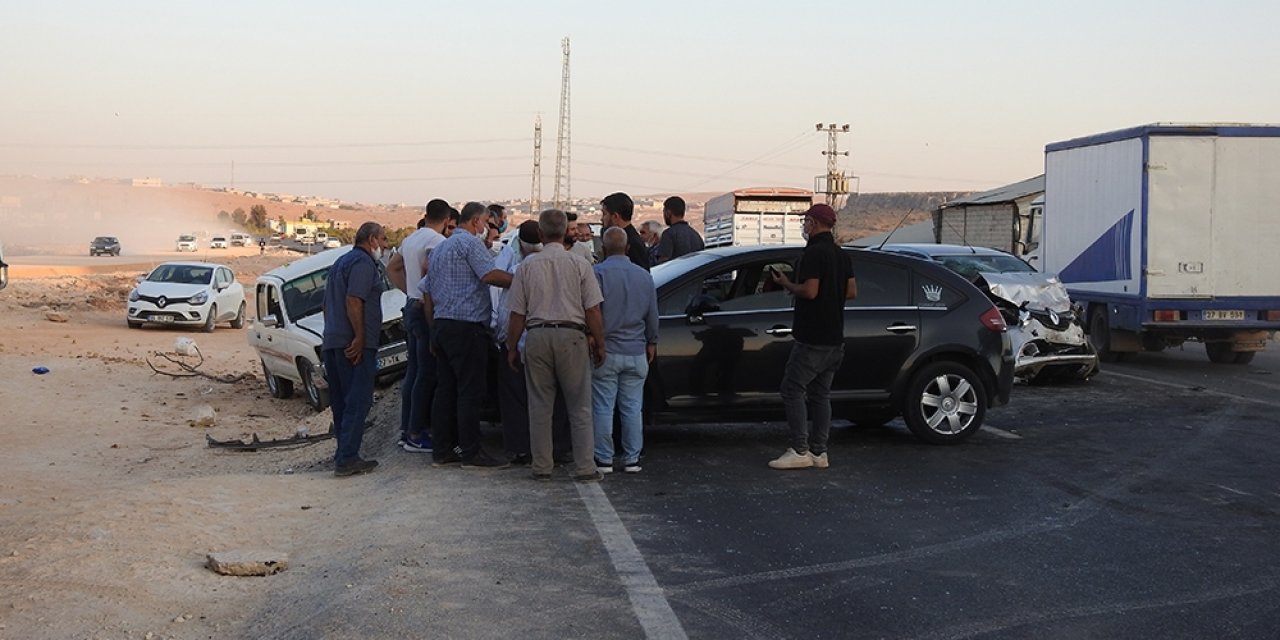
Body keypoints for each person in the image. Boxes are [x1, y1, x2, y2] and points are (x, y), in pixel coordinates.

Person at [506, 208, 607, 482]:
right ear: (565, 233)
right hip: (572, 336)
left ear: (540, 233)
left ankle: (541, 466)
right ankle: (585, 466)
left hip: (537, 336)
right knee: (580, 405)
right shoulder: (580, 264)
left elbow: (516, 313)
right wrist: (599, 343)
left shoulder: (527, 266)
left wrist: (512, 346)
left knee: (539, 405)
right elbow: (593, 310)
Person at [420, 202, 514, 469]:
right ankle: (471, 452)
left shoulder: (440, 248)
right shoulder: (470, 244)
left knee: (446, 390)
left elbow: (426, 293)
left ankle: (444, 449)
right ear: (475, 222)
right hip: (467, 327)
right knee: (470, 391)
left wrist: (433, 331)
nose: (486, 228)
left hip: (443, 326)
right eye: (485, 222)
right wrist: (522, 280)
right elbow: (489, 275)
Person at [766, 203, 857, 470]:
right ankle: (819, 451)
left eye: (806, 221)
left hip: (812, 336)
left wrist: (786, 284)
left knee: (792, 388)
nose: (804, 226)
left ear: (815, 223)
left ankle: (799, 449)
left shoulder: (813, 254)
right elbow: (851, 292)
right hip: (834, 336)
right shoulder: (842, 255)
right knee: (820, 394)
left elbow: (810, 291)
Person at [321, 222, 389, 477]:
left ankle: (343, 455)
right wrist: (360, 337)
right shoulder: (362, 263)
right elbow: (353, 299)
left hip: (334, 341)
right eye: (382, 239)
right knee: (358, 401)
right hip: (353, 344)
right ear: (371, 239)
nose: (385, 245)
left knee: (341, 402)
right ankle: (348, 458)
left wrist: (334, 332)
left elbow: (326, 306)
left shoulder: (340, 262)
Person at [591, 227, 659, 474]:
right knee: (632, 407)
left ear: (604, 249)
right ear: (628, 248)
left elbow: (593, 310)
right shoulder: (644, 276)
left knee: (602, 406)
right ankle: (632, 458)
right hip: (636, 350)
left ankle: (603, 459)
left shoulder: (596, 274)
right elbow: (652, 314)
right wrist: (651, 341)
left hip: (606, 351)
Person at [386, 198, 450, 453]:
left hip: (410, 306)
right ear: (446, 221)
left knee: (413, 372)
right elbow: (430, 275)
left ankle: (407, 429)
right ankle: (416, 433)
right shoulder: (438, 242)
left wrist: (410, 291)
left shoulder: (411, 239)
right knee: (427, 373)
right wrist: (423, 298)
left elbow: (392, 267)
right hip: (423, 310)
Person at [600, 192, 650, 271]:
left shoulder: (634, 244)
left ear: (615, 217)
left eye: (604, 214)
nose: (601, 219)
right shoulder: (610, 235)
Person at [656, 196, 704, 263]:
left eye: (664, 211)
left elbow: (663, 263)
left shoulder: (669, 234)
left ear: (668, 213)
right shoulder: (696, 235)